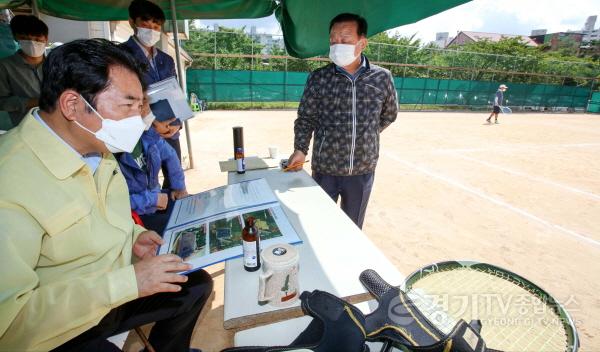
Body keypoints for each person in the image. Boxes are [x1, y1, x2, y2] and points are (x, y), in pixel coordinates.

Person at [0, 39, 212, 352]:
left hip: (114, 288)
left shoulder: (96, 145)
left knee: (195, 284)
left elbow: (106, 215)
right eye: (128, 106)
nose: (140, 121)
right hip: (59, 326)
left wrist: (134, 237)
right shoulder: (10, 184)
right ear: (72, 105)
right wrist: (128, 283)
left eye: (140, 107)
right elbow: (12, 324)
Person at [287, 13, 398, 229]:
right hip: (325, 169)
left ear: (362, 43)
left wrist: (365, 134)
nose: (338, 44)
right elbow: (306, 117)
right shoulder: (319, 78)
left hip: (362, 170)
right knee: (319, 226)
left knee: (353, 228)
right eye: (333, 40)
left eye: (345, 39)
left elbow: (389, 114)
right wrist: (300, 149)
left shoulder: (382, 77)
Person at [121, 0, 183, 190]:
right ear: (132, 22)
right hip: (141, 132)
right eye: (146, 24)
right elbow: (124, 97)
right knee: (145, 182)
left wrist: (178, 122)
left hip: (170, 130)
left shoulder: (165, 59)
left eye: (156, 26)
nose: (152, 30)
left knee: (174, 177)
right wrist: (152, 123)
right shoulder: (121, 55)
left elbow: (175, 93)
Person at [117, 97, 188, 235]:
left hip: (156, 201)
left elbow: (170, 155)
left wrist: (178, 187)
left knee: (190, 207)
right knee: (182, 231)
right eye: (140, 106)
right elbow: (113, 204)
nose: (146, 111)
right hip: (136, 217)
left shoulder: (147, 137)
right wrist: (152, 199)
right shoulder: (110, 154)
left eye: (143, 104)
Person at [0, 15, 47, 127]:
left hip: (60, 126)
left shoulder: (57, 64)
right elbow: (1, 101)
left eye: (37, 39)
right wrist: (32, 102)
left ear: (46, 38)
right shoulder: (5, 67)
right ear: (16, 38)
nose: (32, 43)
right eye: (25, 38)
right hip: (26, 127)